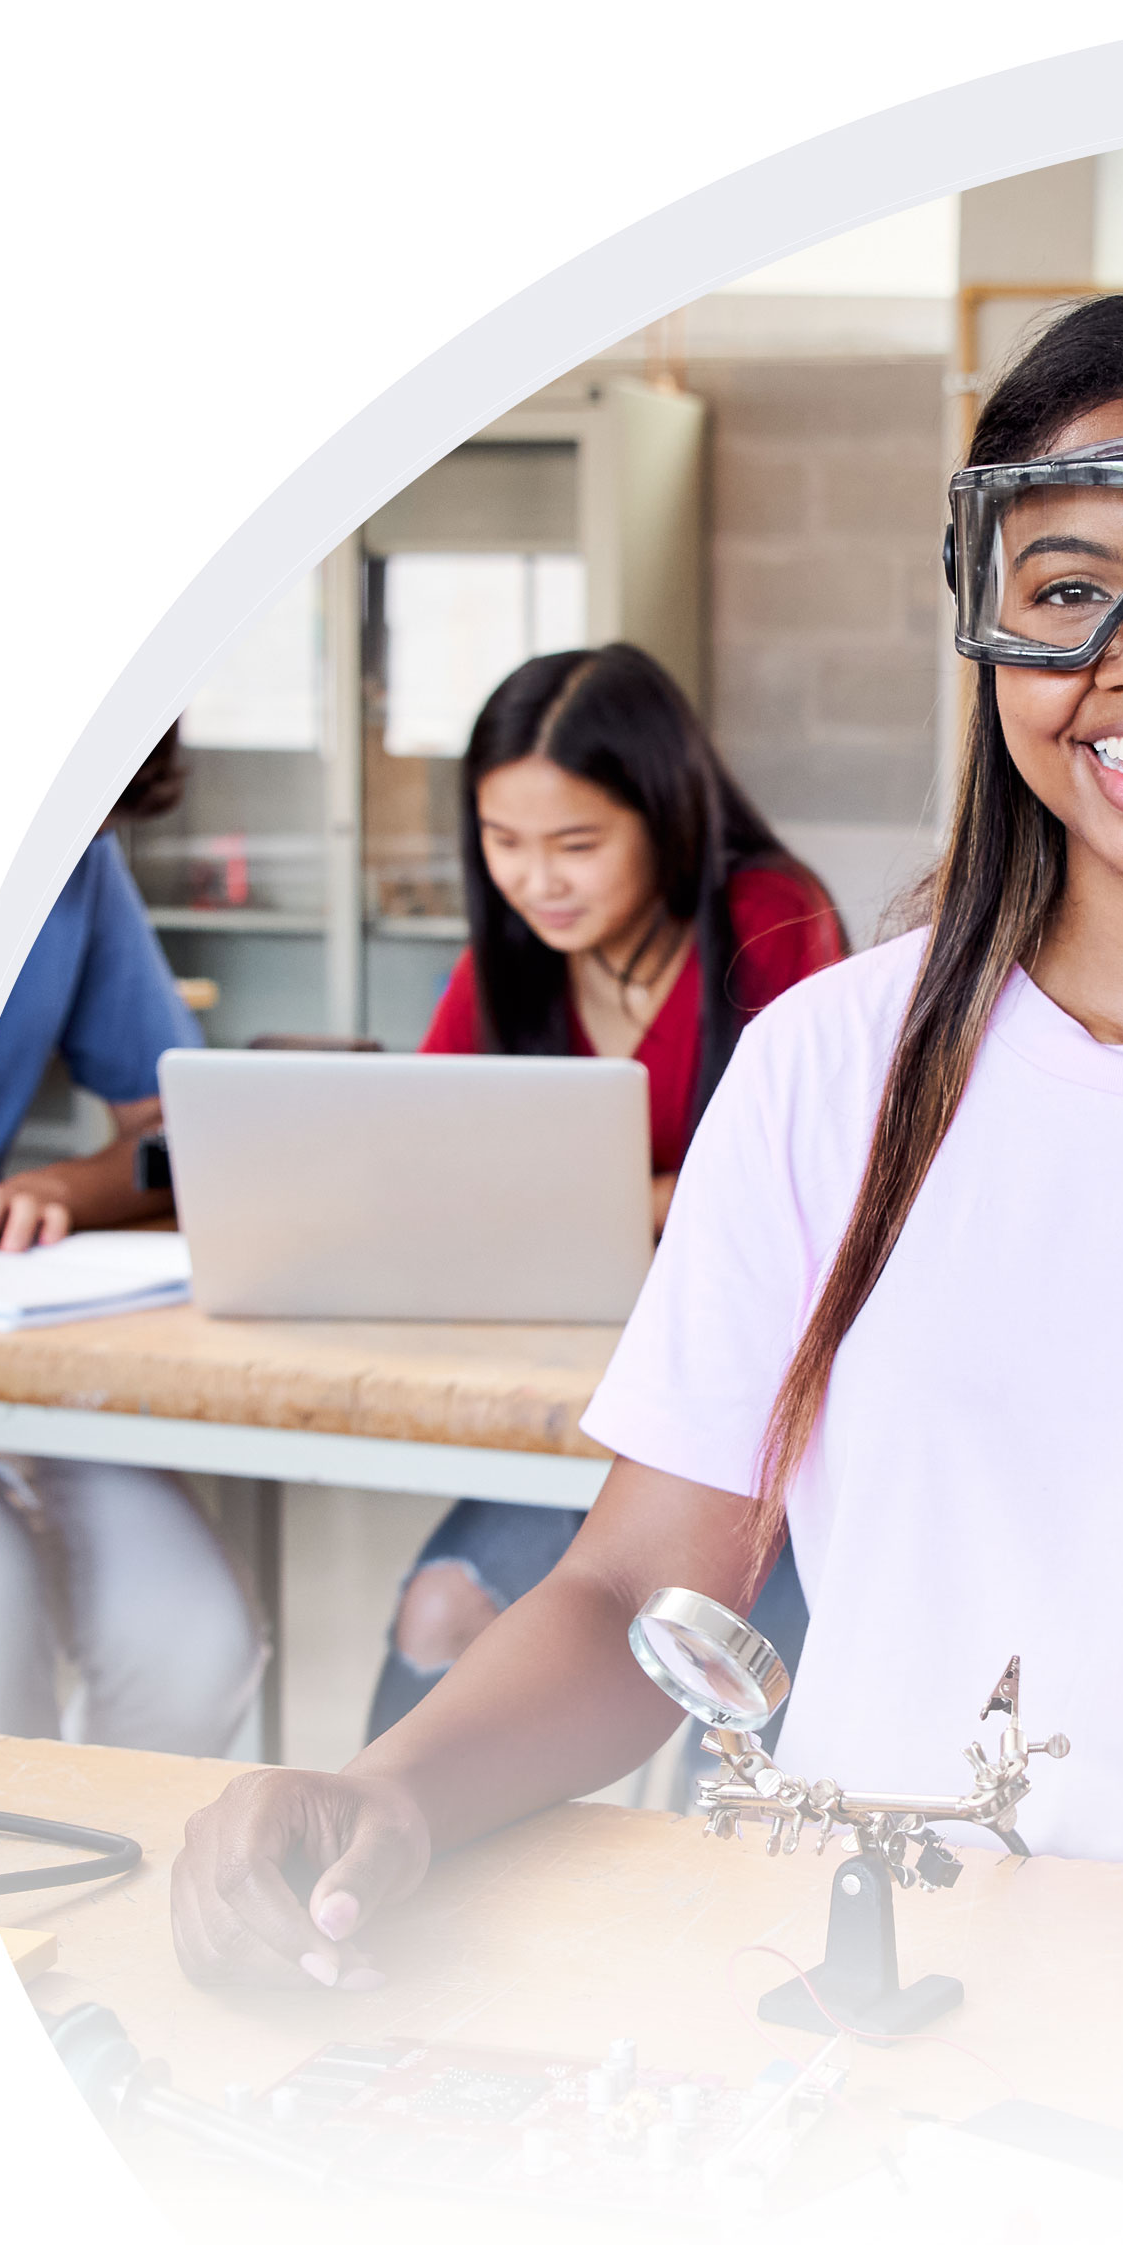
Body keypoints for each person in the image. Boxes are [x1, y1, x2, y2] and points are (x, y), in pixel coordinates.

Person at [174, 290, 1123, 2131]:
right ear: (985, 616)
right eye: (1067, 591)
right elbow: (630, 1591)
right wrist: (396, 1790)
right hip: (876, 2043)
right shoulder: (832, 1068)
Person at [365, 645, 843, 1739]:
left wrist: (594, 1203)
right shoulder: (509, 959)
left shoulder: (766, 918)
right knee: (444, 1607)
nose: (538, 880)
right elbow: (425, 1162)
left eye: (576, 844)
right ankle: (382, 1876)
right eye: (504, 844)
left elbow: (798, 1186)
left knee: (720, 1692)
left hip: (740, 1415)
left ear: (666, 819)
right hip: (567, 1395)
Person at [0, 727, 263, 1750]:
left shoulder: (81, 867)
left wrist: (62, 1185)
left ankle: (106, 1892)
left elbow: (179, 1126)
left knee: (190, 1636)